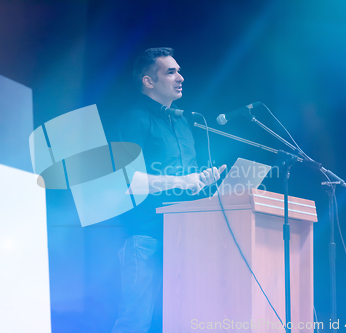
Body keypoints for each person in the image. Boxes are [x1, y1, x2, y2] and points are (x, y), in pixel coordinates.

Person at [112, 47, 226, 333]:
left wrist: (202, 180)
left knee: (180, 319)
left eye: (179, 70)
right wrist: (182, 181)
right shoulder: (133, 119)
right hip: (145, 234)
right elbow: (127, 180)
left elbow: (188, 178)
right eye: (171, 71)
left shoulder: (183, 123)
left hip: (186, 234)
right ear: (148, 81)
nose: (181, 77)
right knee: (136, 320)